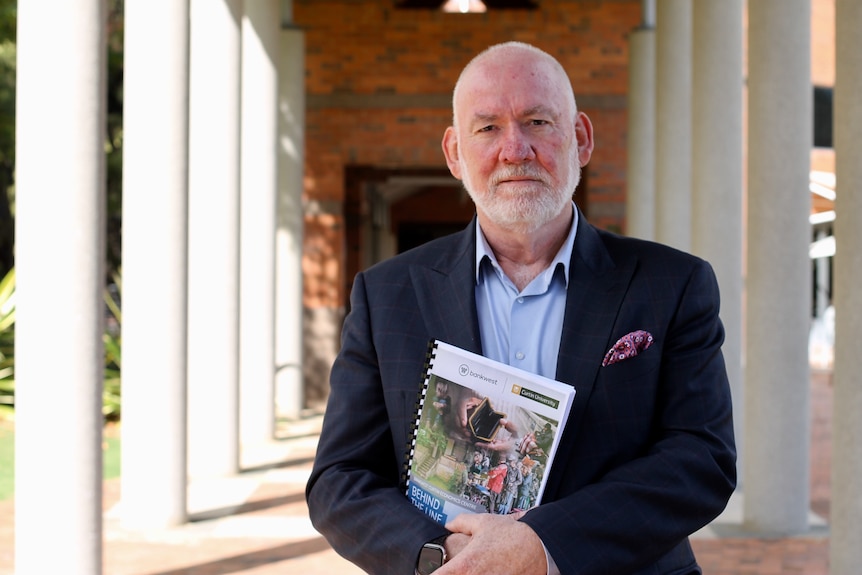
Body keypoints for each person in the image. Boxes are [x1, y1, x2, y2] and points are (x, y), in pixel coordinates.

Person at [306, 41, 736, 575]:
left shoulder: (673, 283)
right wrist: (445, 556)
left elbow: (700, 460)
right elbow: (340, 479)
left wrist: (542, 544)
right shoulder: (386, 293)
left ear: (580, 139)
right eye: (487, 128)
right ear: (455, 153)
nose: (515, 149)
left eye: (536, 121)